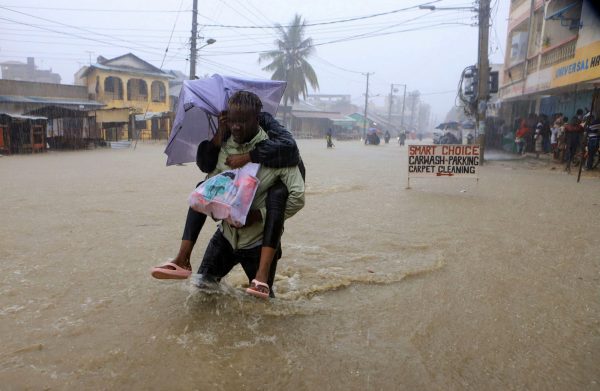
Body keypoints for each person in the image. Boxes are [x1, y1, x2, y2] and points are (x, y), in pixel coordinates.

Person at [152, 93, 305, 299]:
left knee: (262, 306)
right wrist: (216, 209)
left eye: (242, 121)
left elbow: (297, 197)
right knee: (203, 291)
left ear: (257, 119)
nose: (236, 127)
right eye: (233, 121)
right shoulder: (225, 147)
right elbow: (213, 183)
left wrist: (258, 215)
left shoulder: (277, 151)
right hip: (226, 237)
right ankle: (182, 259)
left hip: (258, 242)